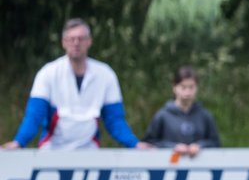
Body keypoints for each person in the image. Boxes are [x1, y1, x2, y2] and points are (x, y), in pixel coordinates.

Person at [2, 19, 151, 151]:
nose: (76, 43)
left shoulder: (106, 75)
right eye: (71, 39)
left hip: (89, 151)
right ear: (63, 42)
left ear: (89, 41)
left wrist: (134, 144)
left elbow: (115, 120)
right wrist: (19, 142)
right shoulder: (47, 73)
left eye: (81, 38)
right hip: (52, 150)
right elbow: (34, 116)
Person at [143, 66, 222, 157]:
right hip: (169, 167)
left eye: (191, 87)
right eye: (183, 87)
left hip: (199, 169)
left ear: (197, 88)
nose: (187, 92)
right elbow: (148, 144)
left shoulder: (205, 115)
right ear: (174, 87)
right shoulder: (162, 115)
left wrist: (200, 146)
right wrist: (173, 147)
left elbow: (215, 143)